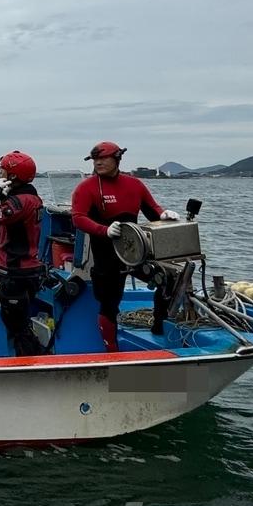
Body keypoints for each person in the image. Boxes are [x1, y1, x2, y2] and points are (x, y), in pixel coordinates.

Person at [70, 141, 180, 351]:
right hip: (106, 257)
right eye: (95, 159)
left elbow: (152, 210)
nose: (98, 163)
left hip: (135, 254)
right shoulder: (87, 188)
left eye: (103, 158)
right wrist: (104, 230)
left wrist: (164, 215)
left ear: (117, 159)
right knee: (109, 303)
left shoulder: (134, 185)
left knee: (168, 280)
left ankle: (159, 327)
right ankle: (112, 350)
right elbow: (78, 218)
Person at [0, 150, 48, 356]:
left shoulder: (20, 202)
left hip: (16, 270)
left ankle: (31, 363)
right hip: (26, 269)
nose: (0, 173)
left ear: (12, 176)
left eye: (3, 170)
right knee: (18, 320)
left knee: (16, 324)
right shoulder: (31, 197)